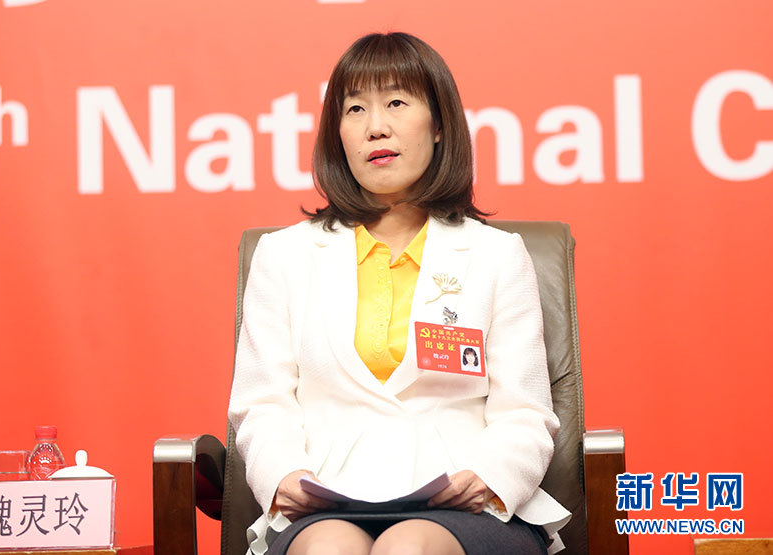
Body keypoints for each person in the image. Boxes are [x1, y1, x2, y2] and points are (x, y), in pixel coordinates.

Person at [228, 32, 571, 555]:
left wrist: (487, 477)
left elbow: (524, 412)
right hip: (328, 497)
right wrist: (283, 476)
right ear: (337, 134)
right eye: (355, 109)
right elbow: (263, 403)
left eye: (395, 103)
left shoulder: (497, 255)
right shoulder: (284, 256)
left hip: (464, 501)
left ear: (438, 125)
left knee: (408, 547)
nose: (375, 126)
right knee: (328, 551)